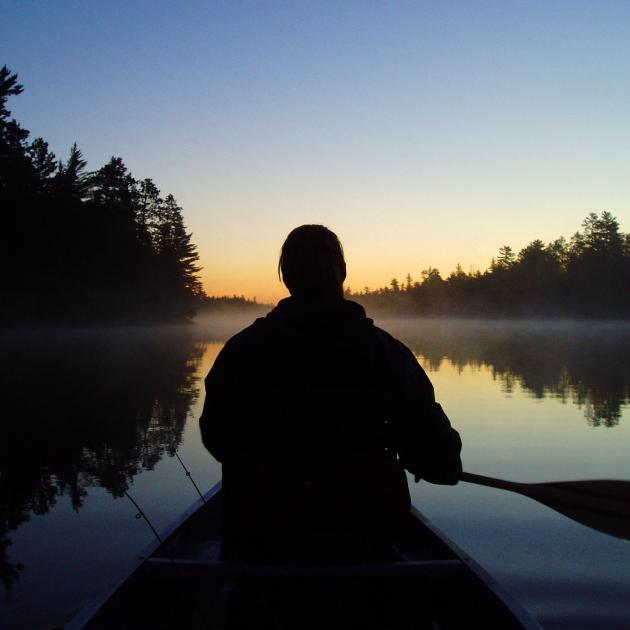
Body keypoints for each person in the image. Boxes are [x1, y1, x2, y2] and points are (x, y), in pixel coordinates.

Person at [199, 224, 462, 563]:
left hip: (261, 548)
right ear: (342, 272)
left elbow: (219, 439)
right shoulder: (386, 354)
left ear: (286, 277)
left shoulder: (241, 352)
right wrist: (412, 456)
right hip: (364, 551)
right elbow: (442, 461)